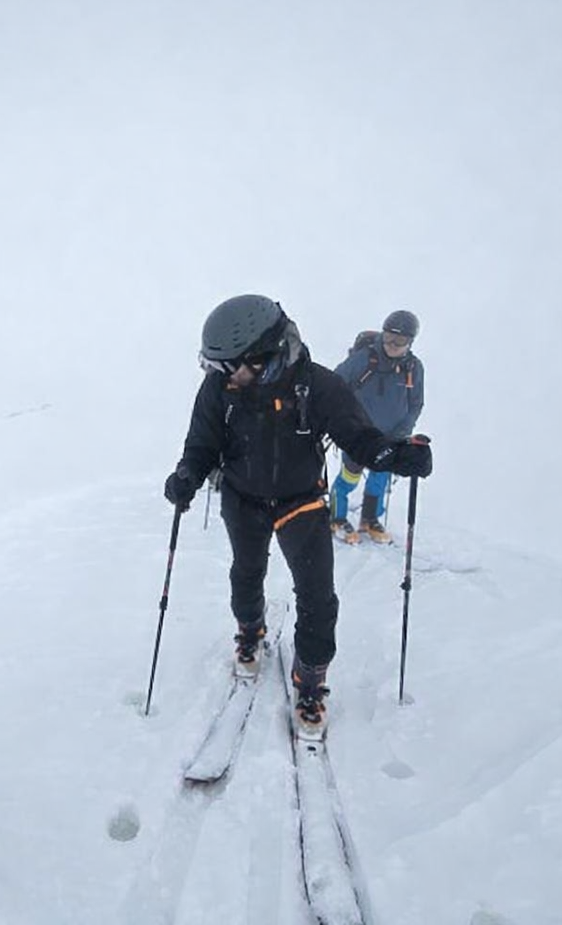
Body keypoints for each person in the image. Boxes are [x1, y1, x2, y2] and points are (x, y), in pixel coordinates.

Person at [163, 295, 433, 736]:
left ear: (263, 356)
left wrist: (397, 455)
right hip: (242, 496)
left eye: (228, 366)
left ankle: (310, 677)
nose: (219, 375)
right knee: (246, 573)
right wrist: (187, 475)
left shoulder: (318, 386)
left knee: (317, 594)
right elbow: (201, 443)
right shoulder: (220, 387)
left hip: (301, 500)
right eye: (215, 366)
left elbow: (360, 438)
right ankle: (250, 631)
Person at [329, 309, 426, 545]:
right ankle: (336, 518)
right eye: (388, 337)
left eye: (400, 340)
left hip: (390, 438)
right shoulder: (365, 359)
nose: (392, 344)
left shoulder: (414, 368)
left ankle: (370, 519)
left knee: (379, 479)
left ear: (410, 342)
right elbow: (334, 384)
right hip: (357, 436)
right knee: (349, 478)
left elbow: (415, 403)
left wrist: (403, 431)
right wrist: (344, 421)